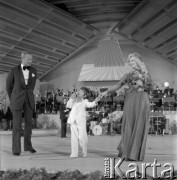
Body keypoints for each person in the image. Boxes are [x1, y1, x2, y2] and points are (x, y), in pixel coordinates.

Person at [101, 52, 153, 161]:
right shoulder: (128, 75)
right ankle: (126, 151)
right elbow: (118, 85)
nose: (131, 62)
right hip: (130, 100)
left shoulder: (145, 73)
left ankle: (134, 154)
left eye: (133, 60)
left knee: (139, 126)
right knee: (128, 125)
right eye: (129, 61)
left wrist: (141, 79)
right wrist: (106, 92)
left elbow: (151, 87)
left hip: (142, 100)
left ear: (138, 60)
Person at [6, 51, 37, 156]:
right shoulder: (14, 70)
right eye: (29, 59)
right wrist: (13, 98)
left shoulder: (33, 70)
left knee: (29, 124)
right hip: (17, 100)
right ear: (22, 58)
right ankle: (16, 149)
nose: (31, 61)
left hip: (29, 100)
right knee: (16, 126)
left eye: (31, 59)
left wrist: (29, 95)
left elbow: (31, 86)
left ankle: (28, 146)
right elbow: (8, 87)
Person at [66, 87, 101, 158]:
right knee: (74, 138)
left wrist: (96, 101)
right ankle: (74, 153)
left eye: (81, 91)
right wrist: (71, 98)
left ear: (84, 95)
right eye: (79, 90)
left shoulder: (84, 101)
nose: (79, 92)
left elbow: (90, 104)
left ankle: (84, 152)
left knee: (82, 137)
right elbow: (68, 106)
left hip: (81, 121)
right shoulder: (74, 100)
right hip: (73, 120)